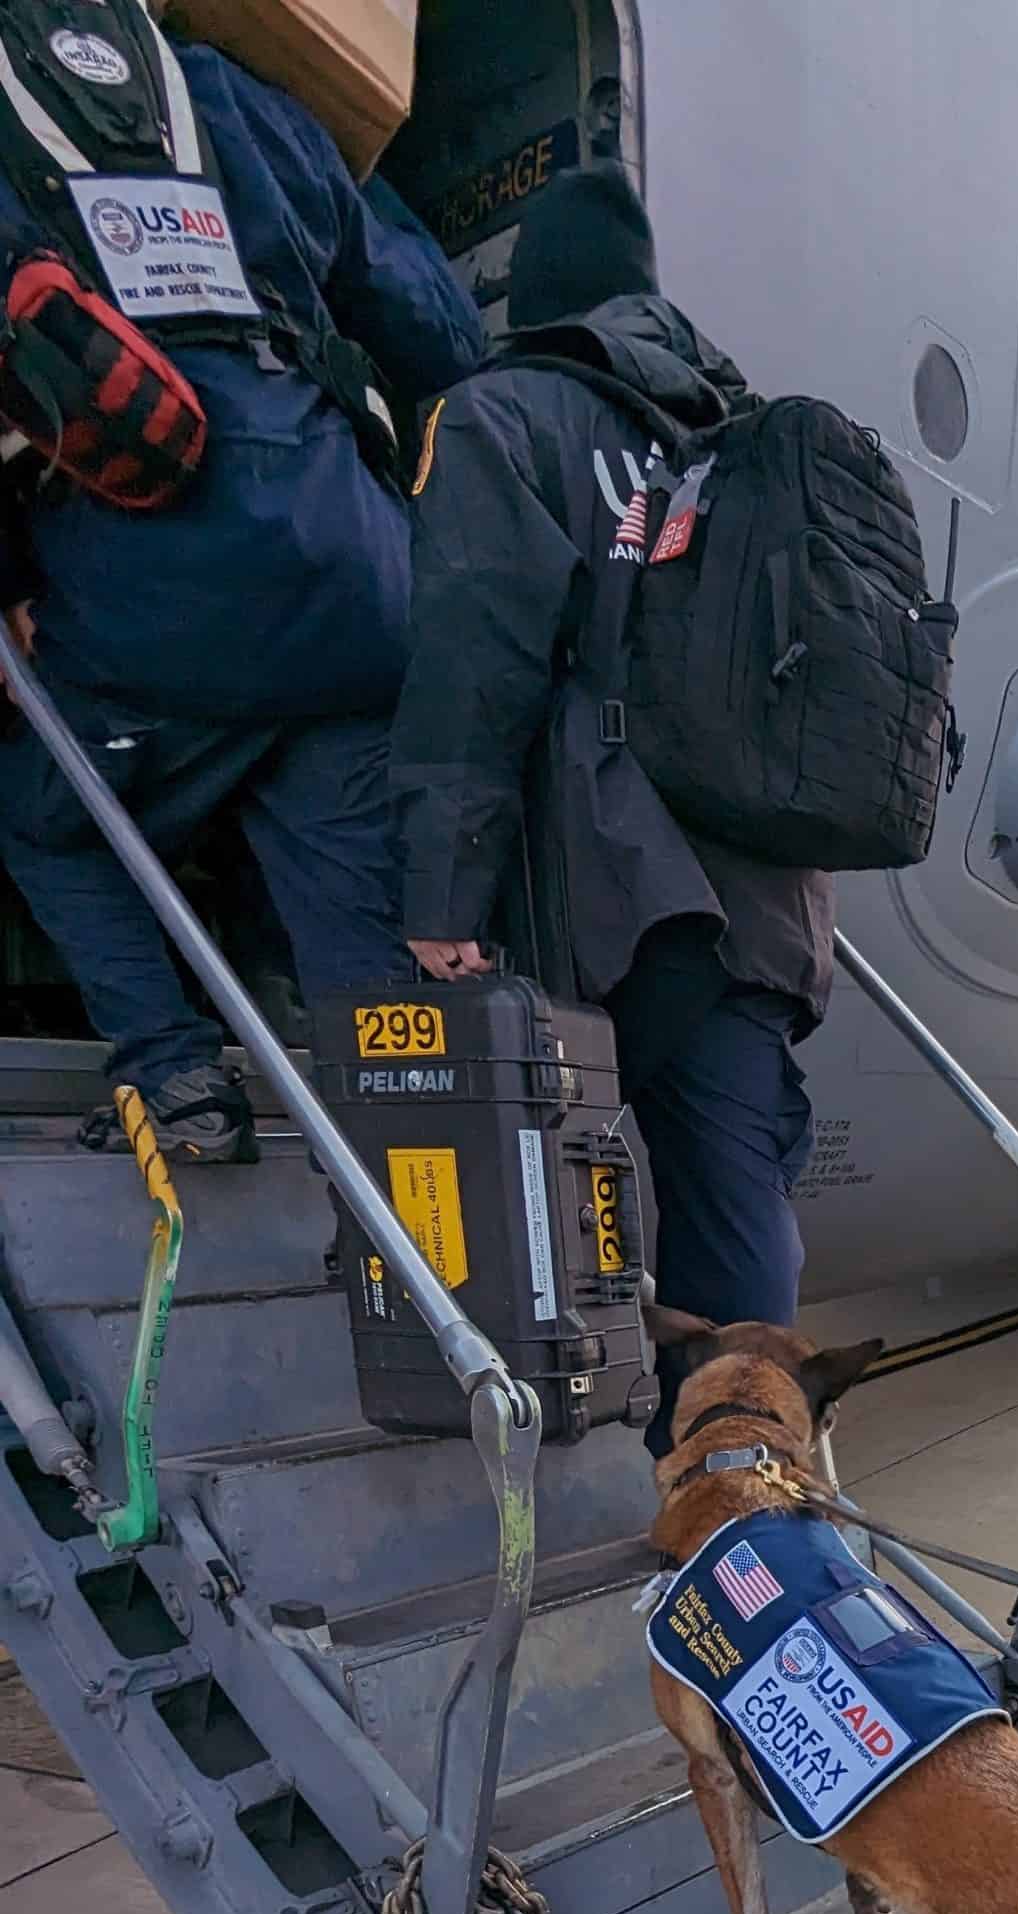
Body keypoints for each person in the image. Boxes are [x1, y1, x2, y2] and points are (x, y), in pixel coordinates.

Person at [387, 166, 833, 1453]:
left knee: (540, 1190)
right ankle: (753, 1513)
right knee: (739, 1216)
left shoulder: (503, 416)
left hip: (612, 888)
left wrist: (440, 892)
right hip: (762, 898)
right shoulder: (733, 439)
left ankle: (558, 1451)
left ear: (535, 298)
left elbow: (474, 662)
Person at [0, 28, 483, 1159]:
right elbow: (441, 333)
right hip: (349, 576)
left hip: (147, 596)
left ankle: (176, 1079)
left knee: (42, 820)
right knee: (352, 909)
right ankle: (413, 1210)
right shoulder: (239, 92)